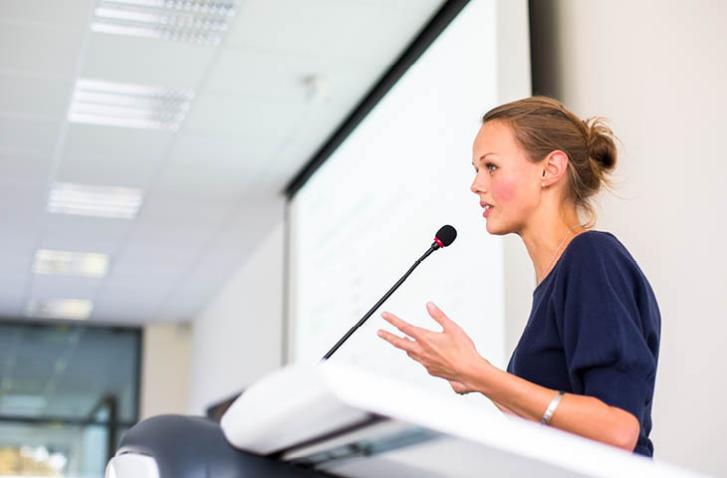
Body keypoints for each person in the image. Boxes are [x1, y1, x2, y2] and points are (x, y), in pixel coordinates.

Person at [376, 96, 661, 457]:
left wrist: (481, 373)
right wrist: (475, 378)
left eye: (490, 167)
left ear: (550, 169)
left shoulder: (592, 257)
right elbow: (554, 434)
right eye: (476, 169)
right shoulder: (556, 280)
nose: (476, 185)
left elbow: (617, 429)